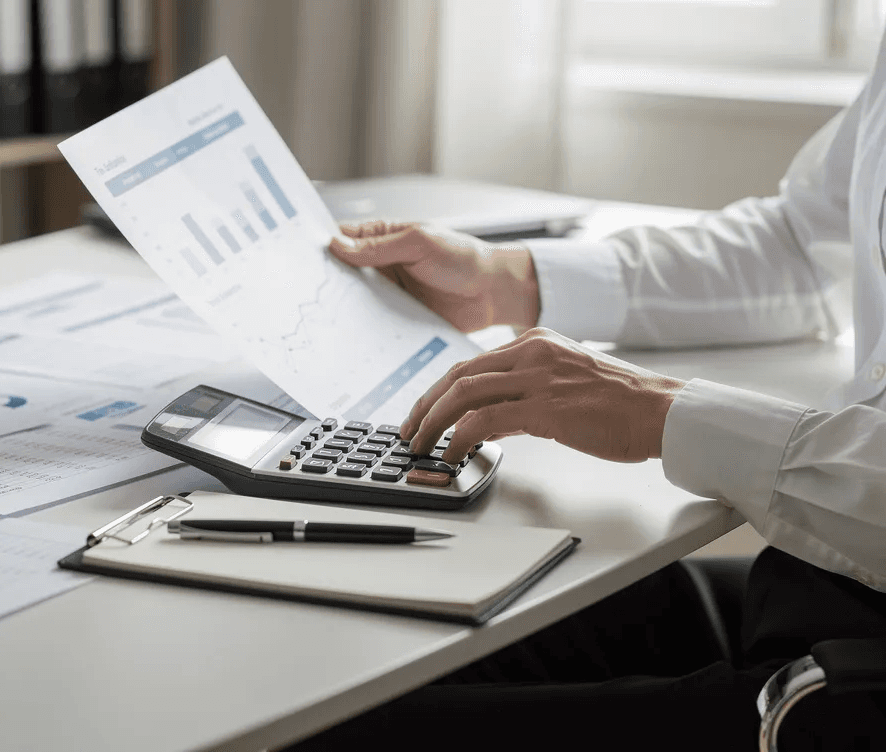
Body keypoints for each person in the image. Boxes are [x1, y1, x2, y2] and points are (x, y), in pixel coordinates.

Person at [290, 45, 886, 752]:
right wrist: (508, 281)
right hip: (817, 586)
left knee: (340, 732)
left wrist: (663, 414)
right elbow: (805, 245)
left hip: (845, 686)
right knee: (340, 665)